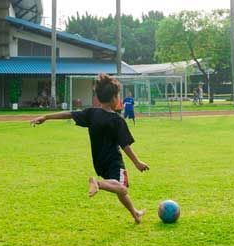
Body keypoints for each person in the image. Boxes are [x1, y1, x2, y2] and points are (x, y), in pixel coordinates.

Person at [30, 72, 149, 223]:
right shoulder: (117, 120)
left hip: (98, 162)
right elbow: (125, 145)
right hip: (113, 162)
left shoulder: (92, 114)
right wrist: (137, 163)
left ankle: (135, 213)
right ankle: (97, 183)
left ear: (98, 98)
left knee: (118, 188)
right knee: (122, 188)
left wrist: (46, 117)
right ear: (114, 98)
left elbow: (70, 114)